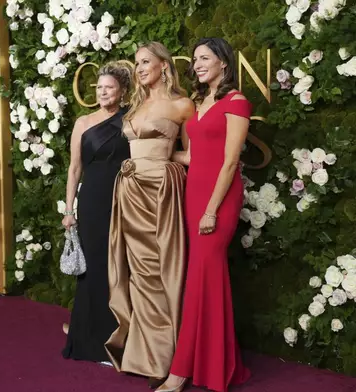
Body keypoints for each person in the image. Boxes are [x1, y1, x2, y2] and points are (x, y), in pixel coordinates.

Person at [157, 37, 252, 392]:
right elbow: (193, 157)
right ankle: (217, 364)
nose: (197, 64)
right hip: (193, 195)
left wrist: (212, 210)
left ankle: (181, 372)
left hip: (219, 200)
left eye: (205, 58)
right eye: (195, 58)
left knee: (202, 280)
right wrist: (155, 154)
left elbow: (229, 163)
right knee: (204, 281)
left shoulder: (236, 102)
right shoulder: (200, 102)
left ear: (223, 62)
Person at [104, 42, 194, 388]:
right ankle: (142, 355)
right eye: (137, 63)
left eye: (146, 62)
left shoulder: (182, 105)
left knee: (159, 269)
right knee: (138, 271)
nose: (140, 68)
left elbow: (192, 155)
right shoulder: (136, 105)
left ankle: (167, 357)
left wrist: (162, 161)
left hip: (160, 192)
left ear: (164, 66)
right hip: (129, 189)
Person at [60, 61, 132, 363]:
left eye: (109, 88)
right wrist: (68, 209)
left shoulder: (130, 120)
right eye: (99, 87)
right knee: (94, 271)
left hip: (122, 200)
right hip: (90, 202)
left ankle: (120, 338)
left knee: (119, 268)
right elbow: (75, 168)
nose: (102, 92)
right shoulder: (84, 123)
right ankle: (91, 340)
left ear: (122, 91)